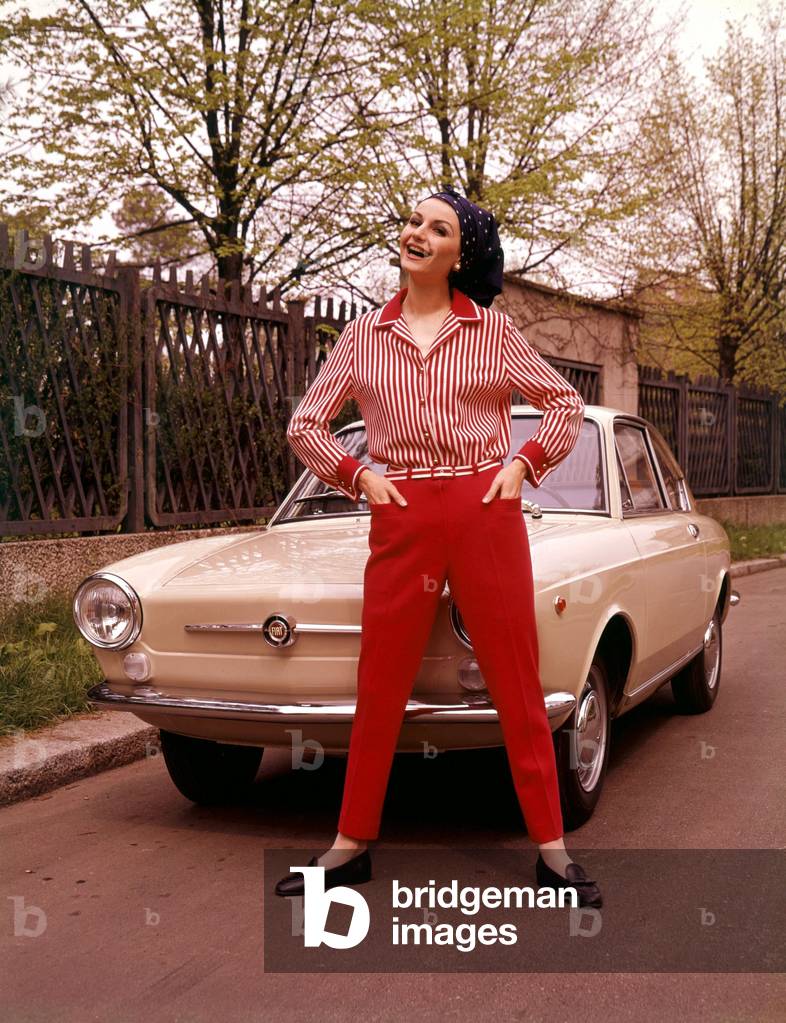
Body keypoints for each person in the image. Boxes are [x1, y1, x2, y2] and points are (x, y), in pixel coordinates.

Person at [277, 185, 602, 908]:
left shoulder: (493, 331)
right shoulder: (363, 336)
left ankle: (552, 851)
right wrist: (359, 476)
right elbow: (306, 424)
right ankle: (350, 844)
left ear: (461, 254)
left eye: (438, 228)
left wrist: (524, 465)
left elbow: (564, 403)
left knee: (515, 679)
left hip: (486, 510)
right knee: (380, 681)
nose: (417, 233)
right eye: (413, 221)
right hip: (403, 512)